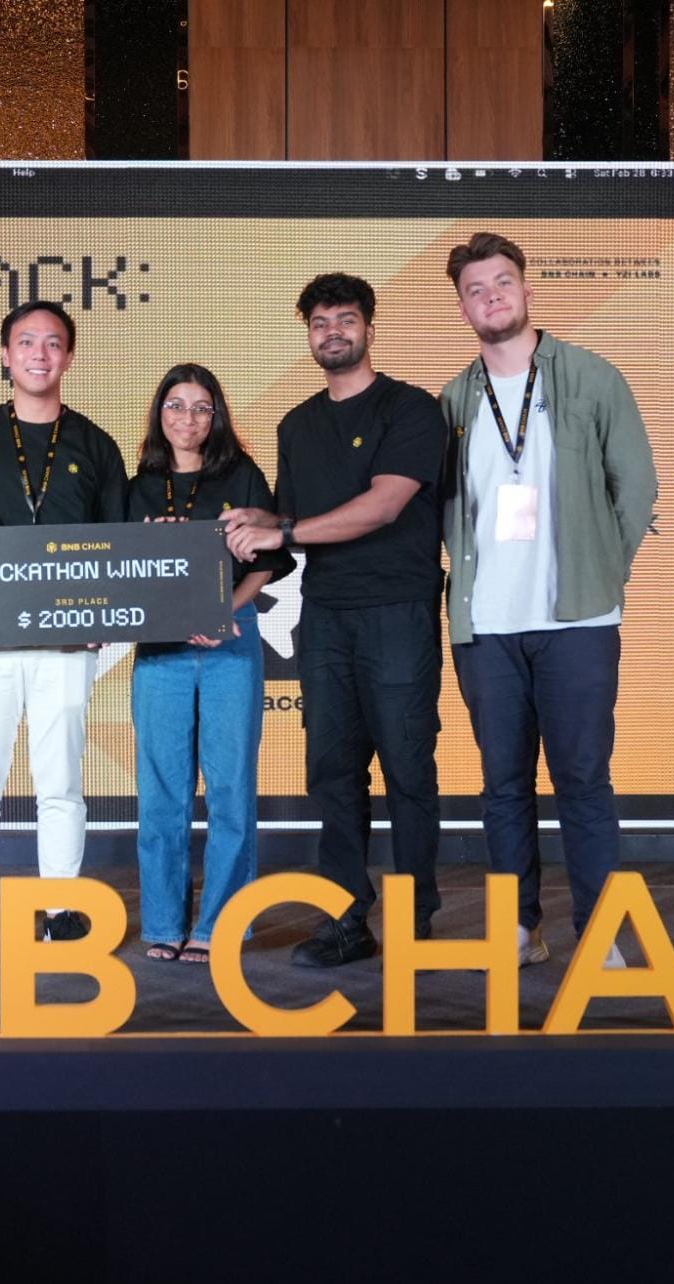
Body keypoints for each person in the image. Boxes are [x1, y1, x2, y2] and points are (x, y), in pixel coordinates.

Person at [438, 231, 657, 969]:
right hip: (485, 626)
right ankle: (517, 928)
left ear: (526, 289)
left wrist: (603, 571)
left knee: (583, 781)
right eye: (475, 290)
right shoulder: (452, 400)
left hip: (577, 621)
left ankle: (597, 933)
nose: (491, 297)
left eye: (502, 282)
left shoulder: (593, 377)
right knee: (502, 786)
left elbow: (637, 487)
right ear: (462, 308)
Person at [225, 274, 447, 968]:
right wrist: (256, 521)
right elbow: (297, 522)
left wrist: (283, 529)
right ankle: (347, 916)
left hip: (397, 611)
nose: (332, 333)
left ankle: (415, 916)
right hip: (325, 615)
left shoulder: (411, 409)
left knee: (407, 765)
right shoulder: (296, 425)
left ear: (369, 328)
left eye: (345, 320)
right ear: (308, 336)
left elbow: (383, 505)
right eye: (319, 323)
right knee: (331, 769)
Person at [0, 300, 129, 970]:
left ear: (69, 356)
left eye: (53, 343)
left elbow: (117, 545)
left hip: (65, 644)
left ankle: (61, 910)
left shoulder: (95, 445)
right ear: (6, 355)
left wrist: (102, 617)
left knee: (61, 782)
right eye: (27, 342)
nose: (40, 354)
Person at [126, 365, 292, 963]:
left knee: (229, 789)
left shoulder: (242, 476)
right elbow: (120, 571)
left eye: (201, 407)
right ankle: (163, 921)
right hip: (161, 651)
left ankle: (222, 922)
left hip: (231, 644)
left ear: (216, 416)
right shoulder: (138, 487)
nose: (187, 418)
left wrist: (224, 610)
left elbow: (269, 561)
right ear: (159, 413)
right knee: (161, 792)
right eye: (176, 404)